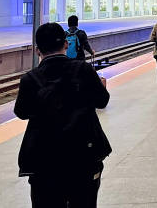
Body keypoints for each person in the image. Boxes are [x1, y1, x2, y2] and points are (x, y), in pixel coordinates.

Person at [14, 22, 111, 207]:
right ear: (66, 44)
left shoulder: (30, 79)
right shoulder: (83, 70)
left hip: (44, 159)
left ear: (37, 50)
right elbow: (102, 101)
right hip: (84, 154)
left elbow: (22, 112)